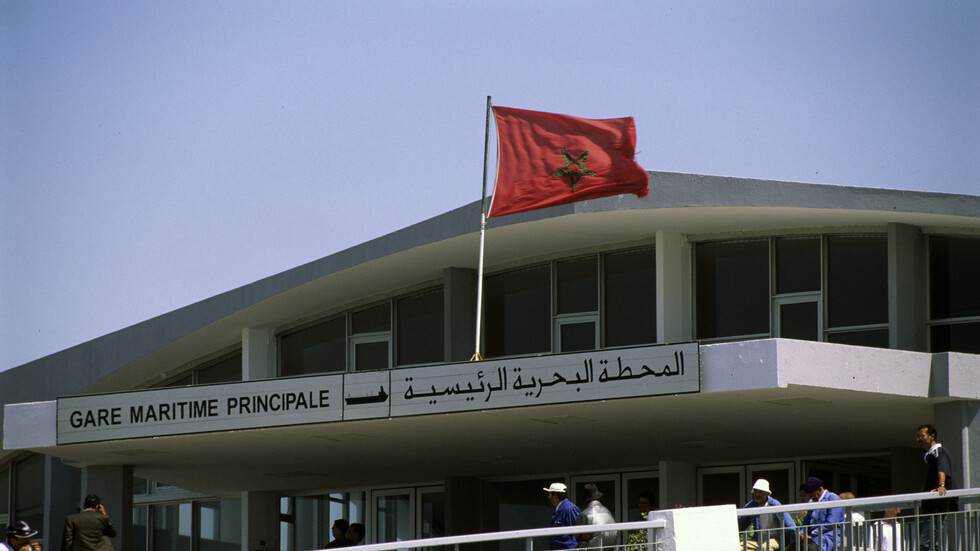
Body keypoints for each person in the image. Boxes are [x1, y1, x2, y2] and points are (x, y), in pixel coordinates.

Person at [916, 424, 957, 550]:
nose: (918, 439)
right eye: (917, 436)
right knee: (931, 541)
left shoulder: (939, 451)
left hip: (937, 506)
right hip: (931, 506)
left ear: (932, 436)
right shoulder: (929, 455)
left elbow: (942, 469)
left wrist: (941, 486)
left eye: (921, 436)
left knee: (926, 542)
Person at [737, 479, 796, 550]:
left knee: (766, 547)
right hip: (758, 539)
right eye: (755, 491)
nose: (757, 494)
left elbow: (789, 524)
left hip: (775, 538)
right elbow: (740, 523)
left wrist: (793, 542)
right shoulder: (751, 505)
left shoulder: (774, 504)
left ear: (767, 493)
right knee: (739, 547)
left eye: (760, 492)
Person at [799, 477, 843, 551]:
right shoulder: (812, 501)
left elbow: (831, 523)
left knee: (811, 548)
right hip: (813, 538)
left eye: (811, 495)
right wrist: (801, 533)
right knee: (791, 547)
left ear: (819, 489)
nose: (810, 498)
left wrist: (812, 535)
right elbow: (807, 520)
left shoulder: (833, 499)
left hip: (828, 537)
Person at [574, 483, 616, 549]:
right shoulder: (608, 512)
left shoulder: (584, 514)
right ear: (598, 498)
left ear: (586, 500)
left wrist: (583, 539)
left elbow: (576, 537)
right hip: (610, 548)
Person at [544, 482, 581, 550]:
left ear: (555, 495)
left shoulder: (569, 508)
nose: (548, 496)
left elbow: (578, 531)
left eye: (549, 494)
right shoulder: (558, 510)